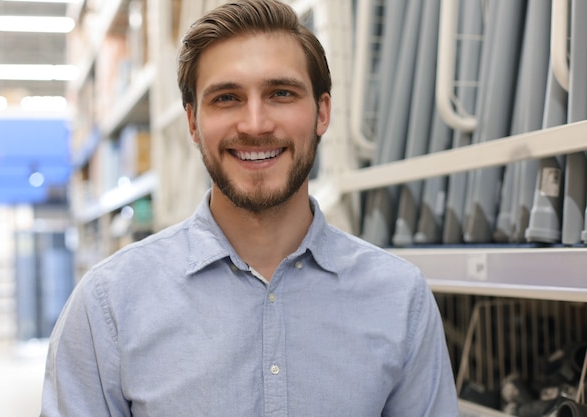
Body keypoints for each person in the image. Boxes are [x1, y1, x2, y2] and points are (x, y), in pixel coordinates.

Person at [40, 0, 459, 415]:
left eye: (281, 93)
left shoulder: (400, 299)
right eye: (226, 98)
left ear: (322, 112)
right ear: (192, 122)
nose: (255, 124)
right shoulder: (109, 304)